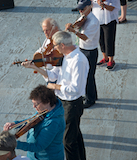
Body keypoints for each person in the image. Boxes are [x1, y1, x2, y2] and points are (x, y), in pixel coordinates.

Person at [21, 31, 89, 160]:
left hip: (72, 104)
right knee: (75, 136)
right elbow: (53, 76)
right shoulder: (64, 56)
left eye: (55, 46)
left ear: (62, 45)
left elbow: (75, 89)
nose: (54, 50)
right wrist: (35, 67)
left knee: (68, 142)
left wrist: (55, 87)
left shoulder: (78, 60)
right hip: (63, 102)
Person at [3, 85, 65, 160]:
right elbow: (31, 120)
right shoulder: (44, 110)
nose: (34, 107)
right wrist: (16, 123)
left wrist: (14, 144)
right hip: (33, 156)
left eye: (36, 104)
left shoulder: (53, 123)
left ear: (48, 102)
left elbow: (38, 147)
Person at [65, 0, 100, 108]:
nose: (80, 11)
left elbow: (85, 37)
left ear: (89, 7)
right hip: (83, 49)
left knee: (88, 75)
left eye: (82, 9)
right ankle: (92, 95)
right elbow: (78, 24)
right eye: (79, 9)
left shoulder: (93, 21)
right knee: (86, 74)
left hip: (90, 51)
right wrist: (72, 26)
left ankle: (90, 99)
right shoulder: (84, 17)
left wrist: (73, 31)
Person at [92, 0, 120, 70]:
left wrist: (102, 5)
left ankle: (111, 60)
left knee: (109, 40)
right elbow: (93, 2)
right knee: (101, 40)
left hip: (109, 21)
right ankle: (105, 58)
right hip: (99, 20)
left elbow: (113, 7)